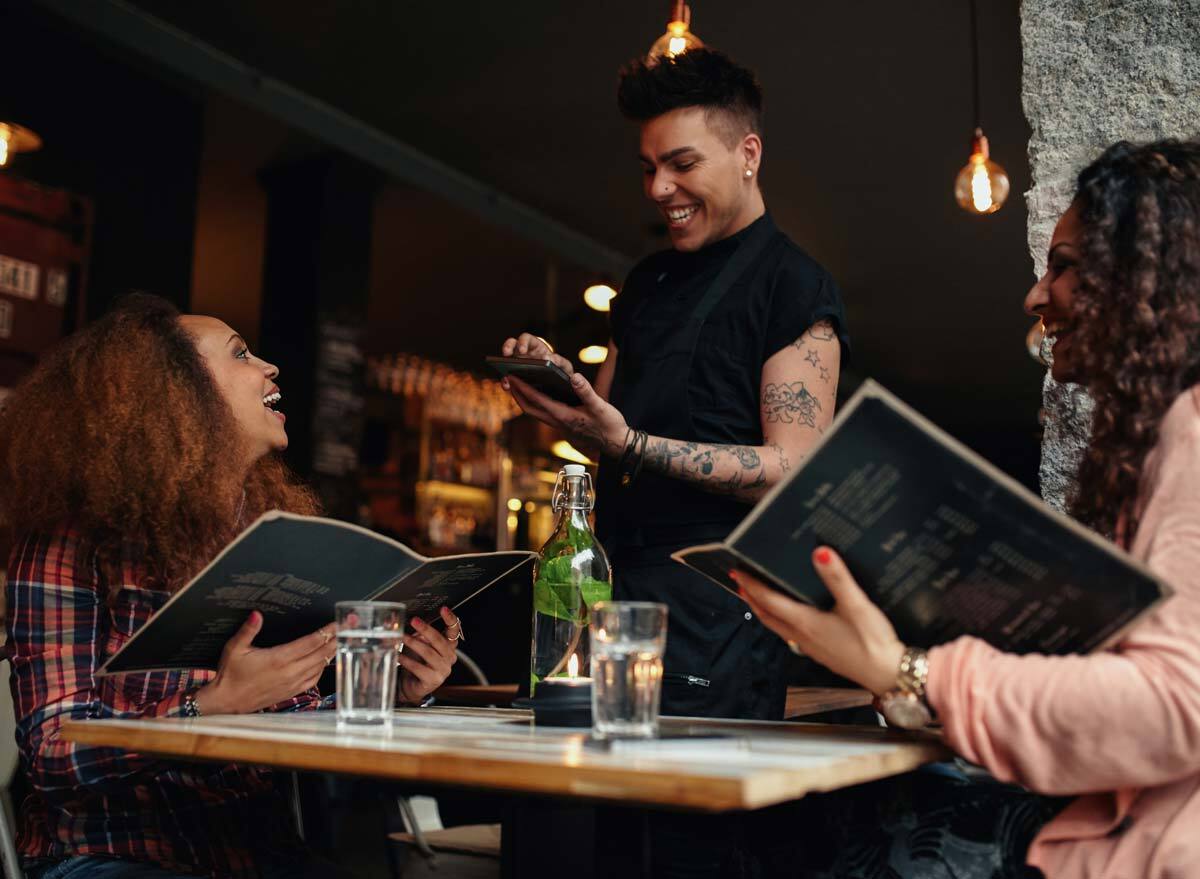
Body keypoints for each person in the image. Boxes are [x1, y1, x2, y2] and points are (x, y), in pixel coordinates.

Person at [736, 138, 1200, 878]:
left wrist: (912, 670)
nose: (1035, 295)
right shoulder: (1158, 436)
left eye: (1066, 266)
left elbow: (1177, 705)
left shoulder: (1194, 432)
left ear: (1145, 277)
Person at [0, 294, 461, 879]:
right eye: (241, 354)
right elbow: (51, 753)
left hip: (256, 851)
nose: (270, 367)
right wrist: (211, 707)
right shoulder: (73, 539)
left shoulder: (261, 536)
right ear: (174, 394)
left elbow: (293, 716)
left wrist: (396, 690)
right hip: (112, 855)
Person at [500, 48, 850, 721]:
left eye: (682, 164)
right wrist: (561, 395)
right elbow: (607, 424)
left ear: (748, 153)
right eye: (649, 168)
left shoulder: (795, 285)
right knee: (572, 814)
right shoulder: (645, 284)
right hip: (604, 596)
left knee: (684, 825)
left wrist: (628, 441)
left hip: (716, 610)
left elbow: (793, 468)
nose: (659, 188)